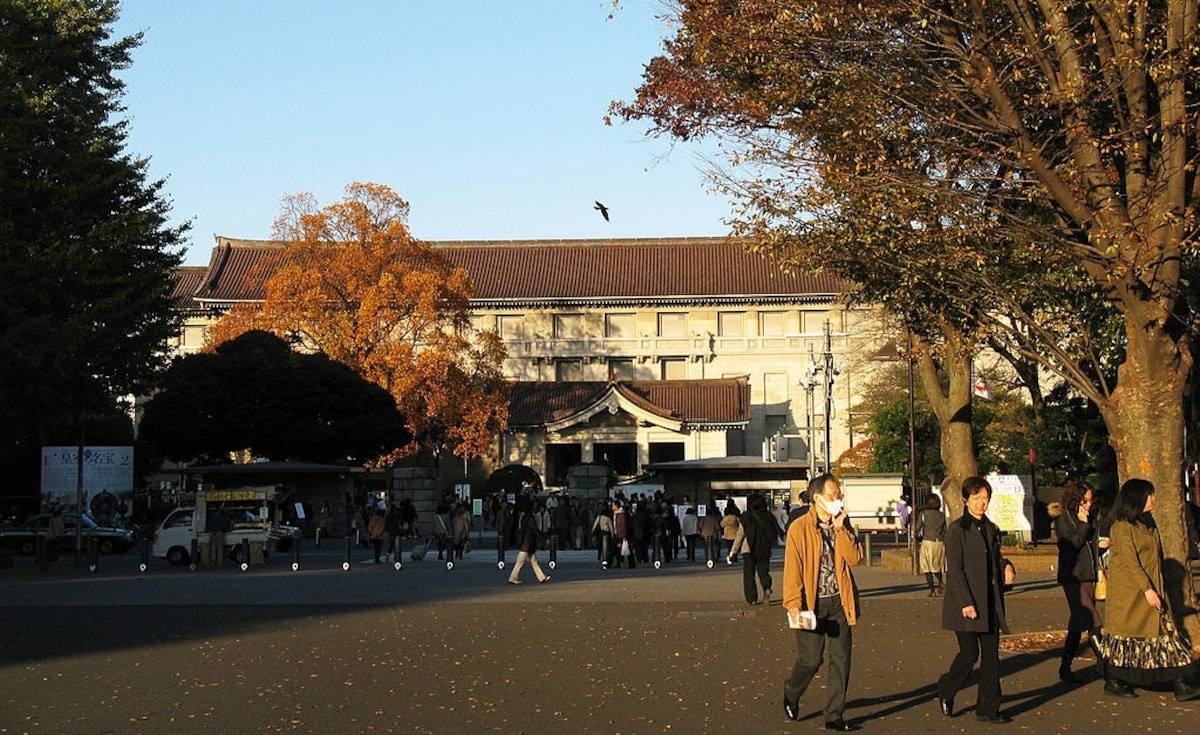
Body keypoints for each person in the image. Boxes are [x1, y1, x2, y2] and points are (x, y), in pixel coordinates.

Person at [1095, 478, 1200, 701]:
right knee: (1127, 638)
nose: (1153, 499)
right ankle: (1114, 679)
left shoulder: (1148, 523)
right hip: (1131, 595)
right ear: (1137, 499)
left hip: (1153, 589)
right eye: (1150, 495)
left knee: (1167, 635)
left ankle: (1181, 682)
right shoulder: (1122, 527)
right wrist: (1146, 589)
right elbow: (1130, 562)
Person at [782, 473, 863, 732]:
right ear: (817, 498)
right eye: (832, 496)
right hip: (811, 604)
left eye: (838, 495)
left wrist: (842, 528)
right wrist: (793, 601)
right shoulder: (800, 527)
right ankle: (792, 692)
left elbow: (854, 559)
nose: (837, 499)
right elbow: (793, 567)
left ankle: (834, 715)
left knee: (841, 659)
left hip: (839, 601)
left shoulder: (843, 524)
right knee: (811, 660)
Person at [937, 476, 1017, 724]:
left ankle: (988, 708)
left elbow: (996, 557)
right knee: (969, 654)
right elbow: (956, 570)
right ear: (965, 499)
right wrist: (966, 603)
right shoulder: (956, 530)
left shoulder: (991, 528)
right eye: (976, 498)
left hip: (990, 601)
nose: (982, 503)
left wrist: (1006, 566)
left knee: (991, 657)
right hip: (965, 603)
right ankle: (947, 689)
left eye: (985, 498)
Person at [1048, 479, 1103, 683]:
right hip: (1072, 577)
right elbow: (1071, 546)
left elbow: (1091, 544)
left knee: (1078, 622)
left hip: (1089, 574)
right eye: (1085, 501)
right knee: (1092, 620)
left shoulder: (1091, 517)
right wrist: (1083, 524)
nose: (1089, 505)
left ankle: (1065, 665)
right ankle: (1108, 665)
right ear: (1075, 499)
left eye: (1091, 501)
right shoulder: (1063, 519)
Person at [732, 494, 783, 605]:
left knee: (749, 574)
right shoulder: (769, 516)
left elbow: (740, 535)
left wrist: (733, 551)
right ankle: (766, 587)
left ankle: (752, 598)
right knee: (763, 571)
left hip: (748, 548)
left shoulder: (746, 517)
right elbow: (775, 531)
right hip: (764, 548)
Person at [508, 500, 551, 584]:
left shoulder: (524, 517)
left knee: (532, 560)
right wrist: (544, 539)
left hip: (527, 542)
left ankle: (541, 577)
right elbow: (536, 530)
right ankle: (513, 577)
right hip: (527, 543)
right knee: (521, 561)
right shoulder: (529, 518)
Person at [914, 494, 947, 597]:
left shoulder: (924, 514)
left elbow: (917, 528)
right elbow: (945, 531)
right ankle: (940, 581)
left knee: (926, 567)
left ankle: (932, 590)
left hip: (927, 541)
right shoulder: (941, 515)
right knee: (936, 566)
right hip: (939, 543)